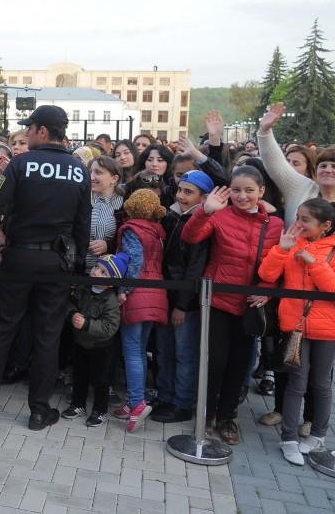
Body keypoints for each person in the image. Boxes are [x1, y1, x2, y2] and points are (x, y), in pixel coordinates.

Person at [0, 104, 91, 431]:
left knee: (0, 333)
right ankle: (39, 411)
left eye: (30, 128)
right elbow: (83, 225)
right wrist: (76, 267)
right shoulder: (79, 170)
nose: (26, 133)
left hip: (19, 258)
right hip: (57, 263)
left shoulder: (21, 164)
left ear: (42, 131)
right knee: (47, 337)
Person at [181, 167, 282, 445]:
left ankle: (228, 416)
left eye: (249, 190)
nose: (242, 196)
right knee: (214, 362)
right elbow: (190, 237)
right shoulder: (221, 215)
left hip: (250, 305)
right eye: (236, 189)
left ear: (261, 191)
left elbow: (280, 261)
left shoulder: (274, 224)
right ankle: (207, 414)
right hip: (217, 300)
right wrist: (206, 210)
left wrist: (267, 291)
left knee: (239, 364)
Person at [257, 198, 335, 466]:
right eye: (297, 217)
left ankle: (318, 435)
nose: (297, 224)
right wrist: (280, 249)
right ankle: (288, 438)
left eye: (305, 220)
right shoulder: (291, 243)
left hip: (327, 327)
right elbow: (266, 274)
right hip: (295, 325)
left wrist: (314, 262)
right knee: (295, 383)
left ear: (325, 226)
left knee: (320, 383)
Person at [258, 103, 335, 265]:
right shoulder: (301, 187)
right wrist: (265, 132)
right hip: (292, 274)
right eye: (323, 165)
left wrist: (320, 249)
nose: (328, 170)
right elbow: (276, 164)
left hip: (333, 280)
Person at [151, 170, 212, 424]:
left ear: (203, 197)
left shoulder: (201, 225)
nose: (181, 195)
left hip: (184, 300)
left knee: (184, 353)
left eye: (189, 192)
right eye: (180, 190)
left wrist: (183, 306)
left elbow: (195, 269)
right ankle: (164, 395)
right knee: (163, 350)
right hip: (165, 294)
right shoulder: (172, 215)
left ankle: (183, 402)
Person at [113, 189, 168, 433]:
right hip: (157, 292)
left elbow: (134, 262)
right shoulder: (158, 231)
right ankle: (138, 398)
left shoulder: (131, 229)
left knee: (132, 351)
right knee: (141, 348)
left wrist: (124, 289)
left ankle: (136, 404)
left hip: (137, 294)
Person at [63, 253, 125, 427]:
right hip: (81, 343)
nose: (97, 272)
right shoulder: (83, 288)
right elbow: (70, 303)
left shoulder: (111, 300)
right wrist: (72, 314)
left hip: (101, 347)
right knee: (79, 375)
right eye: (97, 267)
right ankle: (78, 404)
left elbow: (110, 327)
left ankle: (100, 410)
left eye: (104, 272)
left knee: (101, 380)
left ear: (112, 282)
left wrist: (86, 324)